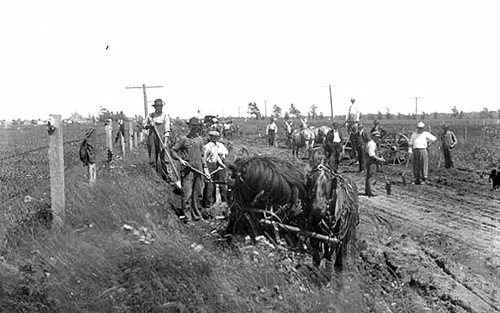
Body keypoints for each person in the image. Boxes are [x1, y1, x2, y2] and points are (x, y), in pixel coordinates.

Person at [171, 117, 211, 222]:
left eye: (196, 127)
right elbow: (173, 151)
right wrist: (180, 160)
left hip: (199, 169)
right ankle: (187, 217)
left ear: (198, 128)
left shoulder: (200, 140)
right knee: (187, 193)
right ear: (190, 127)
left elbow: (202, 156)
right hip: (187, 170)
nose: (195, 129)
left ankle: (197, 216)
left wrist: (205, 170)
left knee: (198, 194)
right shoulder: (184, 139)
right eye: (193, 127)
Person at [143, 99, 171, 172]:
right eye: (157, 106)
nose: (159, 108)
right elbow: (144, 126)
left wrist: (165, 143)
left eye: (160, 106)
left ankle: (166, 176)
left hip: (162, 138)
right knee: (152, 158)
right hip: (152, 138)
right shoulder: (150, 116)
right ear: (155, 107)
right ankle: (154, 177)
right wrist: (150, 125)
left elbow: (167, 131)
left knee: (164, 158)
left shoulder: (165, 116)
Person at [202, 131, 228, 208]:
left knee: (214, 184)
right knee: (209, 186)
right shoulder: (208, 146)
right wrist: (206, 170)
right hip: (208, 165)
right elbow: (203, 159)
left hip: (214, 165)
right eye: (215, 137)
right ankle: (207, 205)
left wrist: (221, 164)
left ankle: (213, 203)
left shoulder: (216, 145)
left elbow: (216, 156)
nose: (217, 138)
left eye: (217, 137)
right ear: (211, 137)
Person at [365, 132, 386, 196]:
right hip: (372, 162)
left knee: (369, 176)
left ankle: (368, 190)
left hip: (370, 162)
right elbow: (371, 155)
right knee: (371, 176)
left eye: (379, 137)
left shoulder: (371, 143)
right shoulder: (372, 144)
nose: (378, 138)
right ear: (373, 137)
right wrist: (379, 159)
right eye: (377, 137)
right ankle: (371, 191)